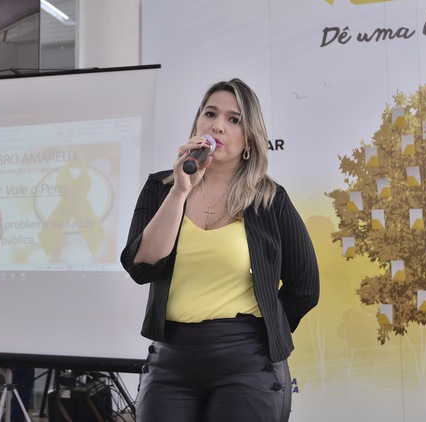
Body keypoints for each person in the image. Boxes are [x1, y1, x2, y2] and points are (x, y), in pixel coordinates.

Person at [121, 78, 320, 422]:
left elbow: (305, 289)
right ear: (197, 123)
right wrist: (180, 191)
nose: (217, 126)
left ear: (249, 139)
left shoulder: (269, 200)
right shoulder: (161, 188)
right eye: (210, 114)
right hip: (171, 359)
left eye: (233, 119)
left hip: (245, 362)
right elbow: (141, 267)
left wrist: (263, 332)